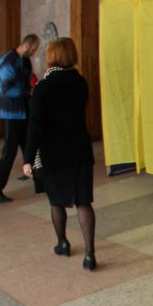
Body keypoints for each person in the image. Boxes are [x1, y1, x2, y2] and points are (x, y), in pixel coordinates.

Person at [23, 37, 98, 271]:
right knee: (83, 202)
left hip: (54, 154)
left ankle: (63, 243)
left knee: (57, 202)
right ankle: (89, 254)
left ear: (52, 57)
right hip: (80, 150)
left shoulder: (43, 87)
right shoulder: (80, 82)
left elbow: (35, 126)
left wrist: (28, 158)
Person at [0, 33, 39, 203]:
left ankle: (41, 183)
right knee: (8, 154)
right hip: (11, 114)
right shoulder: (7, 62)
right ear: (26, 45)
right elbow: (5, 90)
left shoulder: (25, 61)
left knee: (29, 148)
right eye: (33, 49)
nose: (33, 53)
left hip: (25, 111)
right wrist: (27, 92)